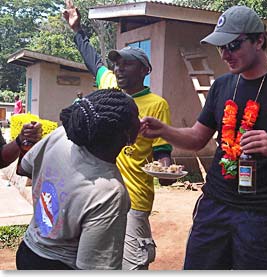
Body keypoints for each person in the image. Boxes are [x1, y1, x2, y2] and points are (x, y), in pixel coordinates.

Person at [140, 5, 267, 270]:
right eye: (221, 47)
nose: (225, 55)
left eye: (233, 45)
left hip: (260, 212)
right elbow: (197, 138)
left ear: (259, 41)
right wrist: (164, 130)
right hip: (214, 204)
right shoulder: (222, 85)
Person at [63, 1, 173, 270]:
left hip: (134, 199)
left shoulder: (157, 104)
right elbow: (93, 60)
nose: (119, 69)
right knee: (92, 260)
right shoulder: (109, 87)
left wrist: (167, 171)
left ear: (145, 70)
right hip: (95, 194)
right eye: (117, 64)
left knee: (132, 264)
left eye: (127, 64)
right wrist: (77, 30)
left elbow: (162, 151)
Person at [15, 88, 140, 270]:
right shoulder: (110, 191)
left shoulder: (60, 136)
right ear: (127, 132)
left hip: (28, 251)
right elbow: (94, 268)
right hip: (60, 266)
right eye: (137, 116)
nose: (141, 121)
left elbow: (24, 168)